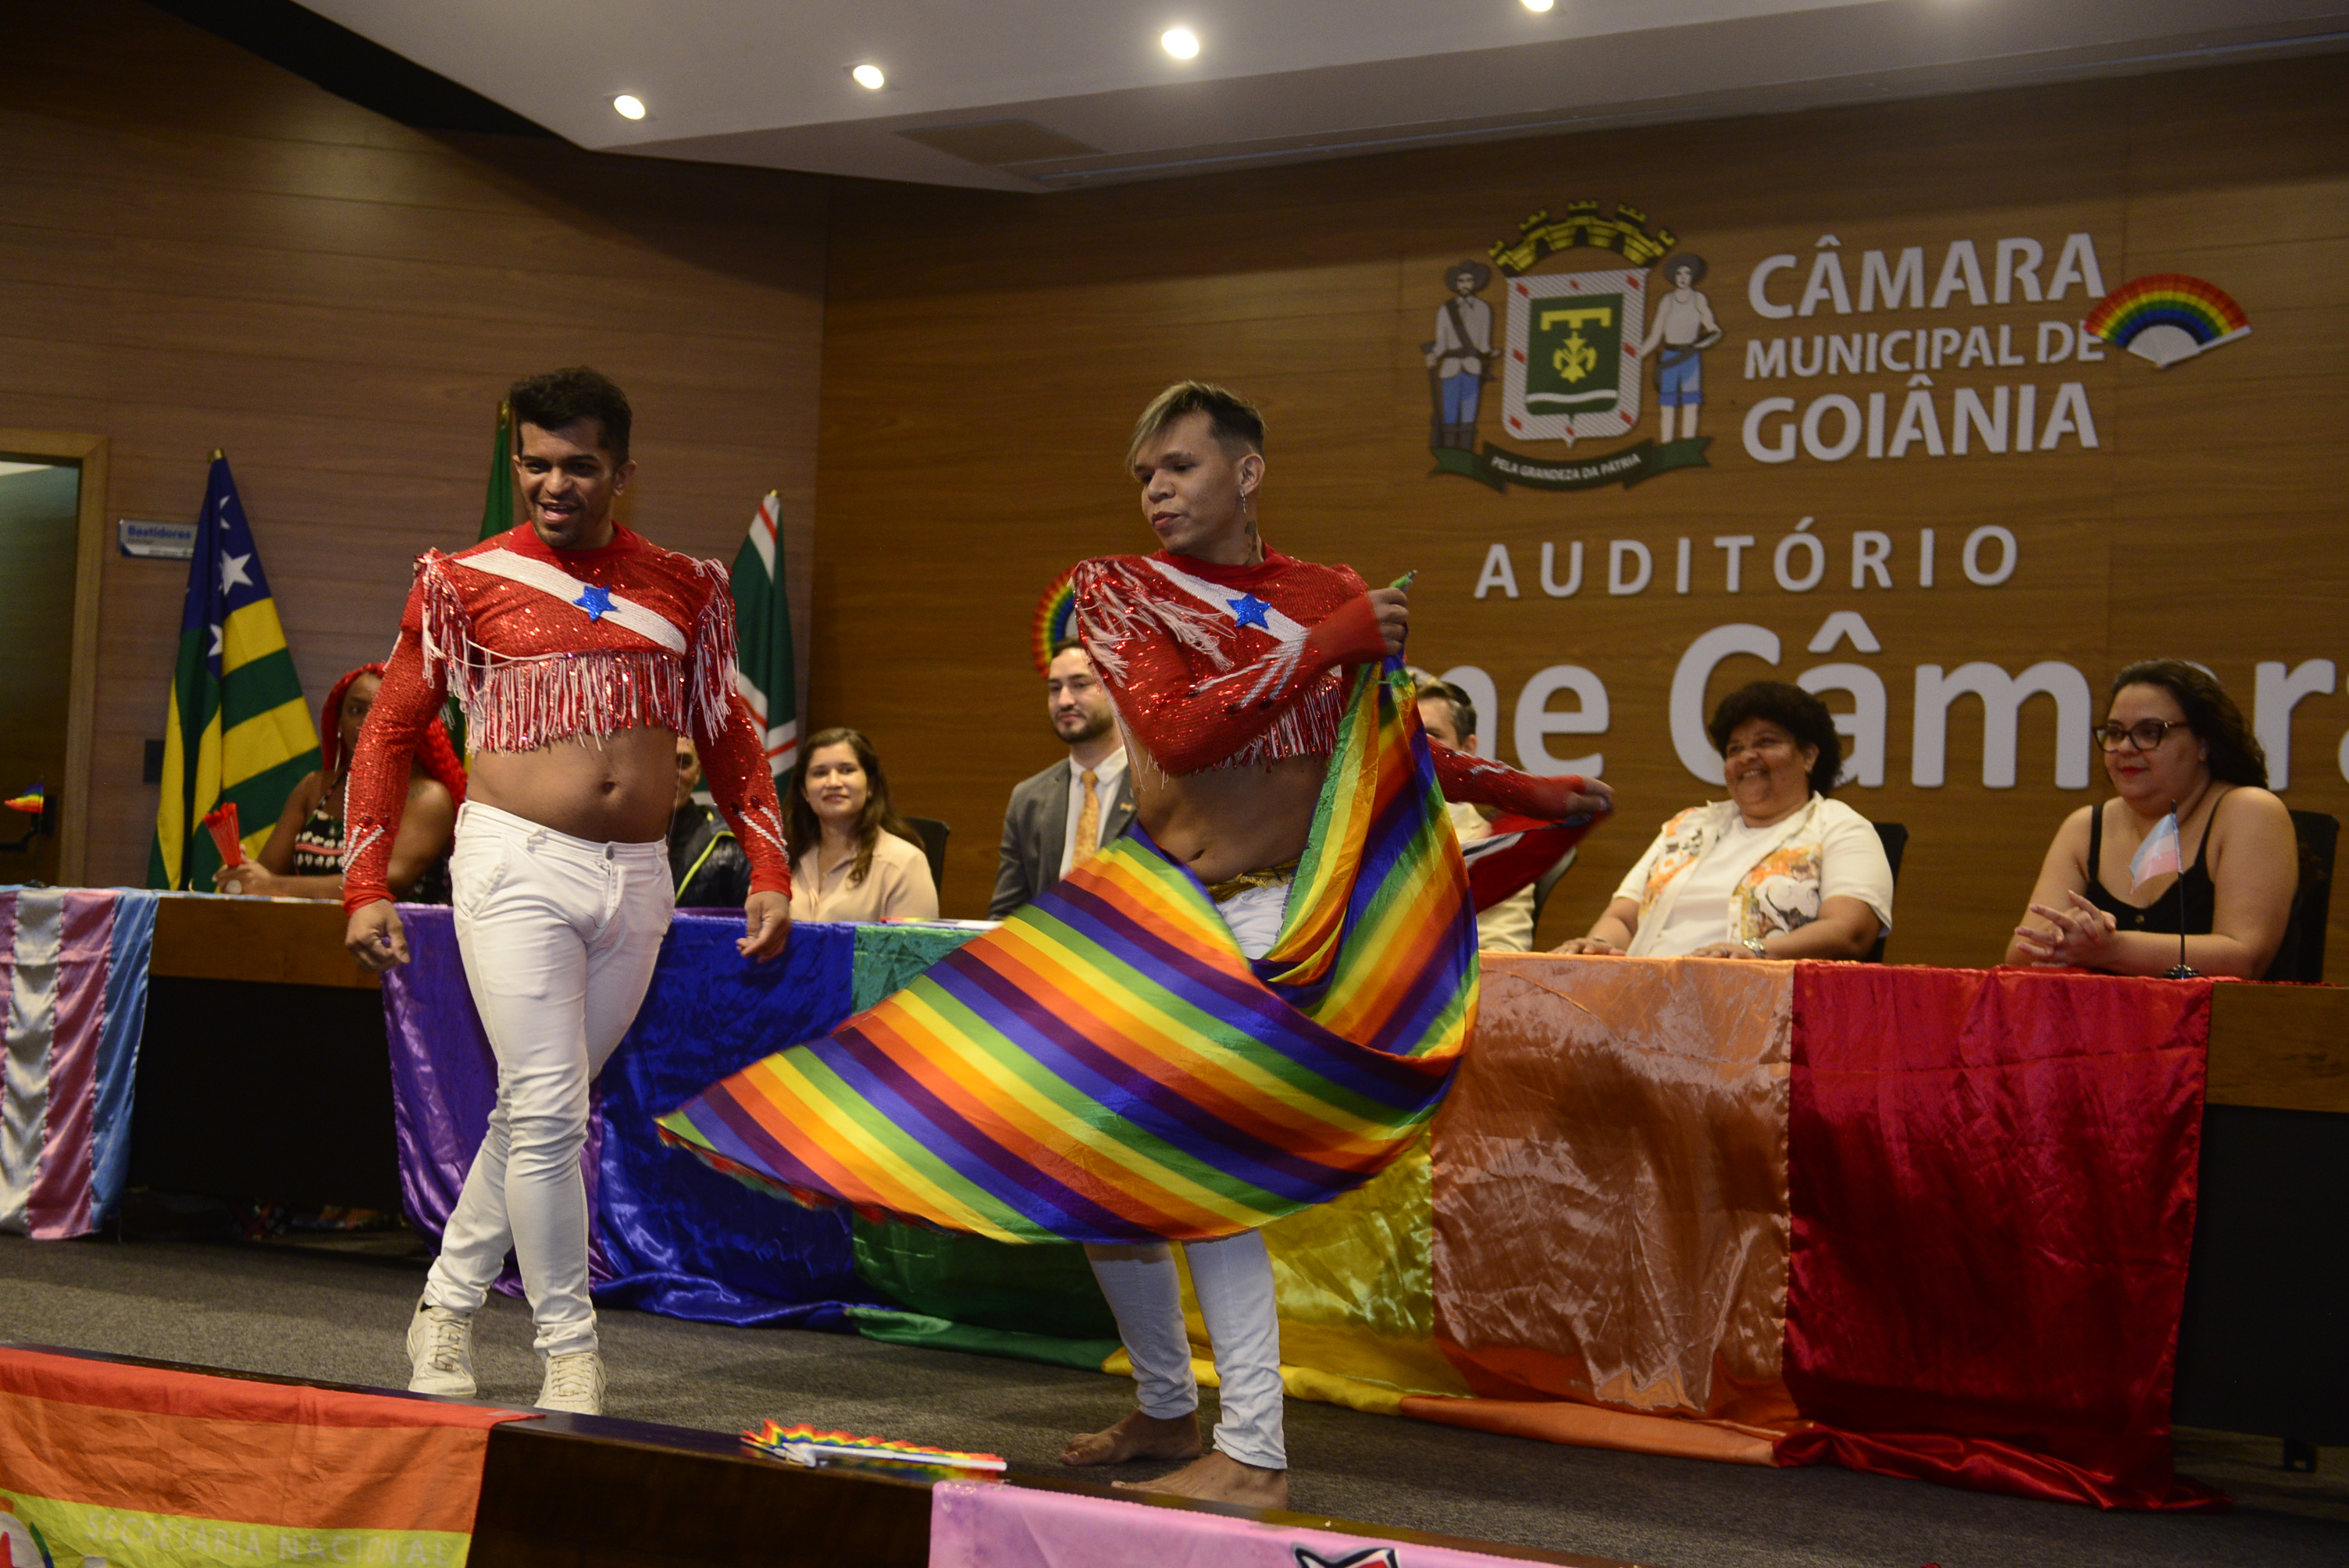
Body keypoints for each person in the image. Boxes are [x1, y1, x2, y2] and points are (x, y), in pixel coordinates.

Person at [657, 382, 1609, 1510]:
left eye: (1180, 467)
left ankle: (1251, 1450)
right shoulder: (1118, 589)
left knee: (1198, 1172)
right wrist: (1326, 647)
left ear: (1247, 473)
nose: (1157, 490)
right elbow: (1179, 730)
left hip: (1294, 917)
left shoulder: (1327, 592)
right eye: (1145, 474)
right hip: (1159, 915)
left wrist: (1525, 792)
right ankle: (1171, 1410)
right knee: (1103, 1162)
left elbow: (1383, 748)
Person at [340, 367, 792, 1416]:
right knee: (548, 1109)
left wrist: (769, 863)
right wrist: (364, 881)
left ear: (622, 472)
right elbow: (390, 731)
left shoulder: (685, 586)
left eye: (579, 466)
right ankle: (569, 1349)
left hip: (636, 878)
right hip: (514, 865)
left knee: (536, 1109)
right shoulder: (462, 580)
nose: (554, 484)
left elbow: (727, 734)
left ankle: (446, 1304)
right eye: (535, 464)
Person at [2007, 659, 2298, 978]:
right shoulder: (2085, 827)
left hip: (2220, 1012)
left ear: (2204, 743)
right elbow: (2021, 955)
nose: (2125, 748)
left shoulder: (2249, 811)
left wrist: (2111, 949)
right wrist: (2063, 937)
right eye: (2115, 733)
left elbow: (2244, 958)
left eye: (2149, 732)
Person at [1558, 680, 1889, 960]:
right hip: (1645, 992)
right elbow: (1623, 920)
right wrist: (1598, 946)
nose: (1747, 757)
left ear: (1808, 755)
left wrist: (1753, 952)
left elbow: (1850, 931)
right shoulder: (1687, 826)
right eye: (1735, 749)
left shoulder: (1840, 827)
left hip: (1758, 1000)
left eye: (1766, 742)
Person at [212, 662, 460, 903]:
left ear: (410, 724)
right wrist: (244, 875)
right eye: (355, 710)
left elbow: (387, 882)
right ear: (339, 723)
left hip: (400, 931)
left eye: (383, 711)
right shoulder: (314, 788)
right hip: (304, 930)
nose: (367, 722)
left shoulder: (428, 797)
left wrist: (273, 886)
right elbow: (266, 875)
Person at [989, 640, 1135, 918]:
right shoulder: (1029, 798)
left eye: (1080, 684)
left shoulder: (1158, 791)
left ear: (1116, 689)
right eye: (1055, 688)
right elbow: (1007, 915)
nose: (1065, 700)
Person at [1412, 672, 1535, 952]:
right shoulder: (1349, 833)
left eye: (1431, 736)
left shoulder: (1498, 850)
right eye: (1402, 735)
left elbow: (1503, 956)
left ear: (1467, 751)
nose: (1414, 748)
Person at [786, 727, 939, 922]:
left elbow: (911, 943)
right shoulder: (783, 858)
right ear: (804, 791)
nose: (833, 782)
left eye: (846, 770)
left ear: (871, 786)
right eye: (820, 773)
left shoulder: (904, 863)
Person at [1638, 254, 1719, 446]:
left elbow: (1713, 329)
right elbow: (1655, 335)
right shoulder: (1667, 300)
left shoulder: (1698, 299)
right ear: (1674, 276)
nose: (1683, 277)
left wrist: (1703, 343)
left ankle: (1688, 445)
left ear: (1693, 276)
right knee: (1667, 405)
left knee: (1691, 403)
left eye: (1687, 273)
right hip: (1670, 357)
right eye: (1679, 273)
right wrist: (1637, 357)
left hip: (1690, 357)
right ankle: (1667, 445)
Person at [669, 735, 753, 909]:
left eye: (683, 762)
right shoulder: (616, 837)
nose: (671, 772)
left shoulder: (730, 843)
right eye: (661, 760)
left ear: (697, 773)